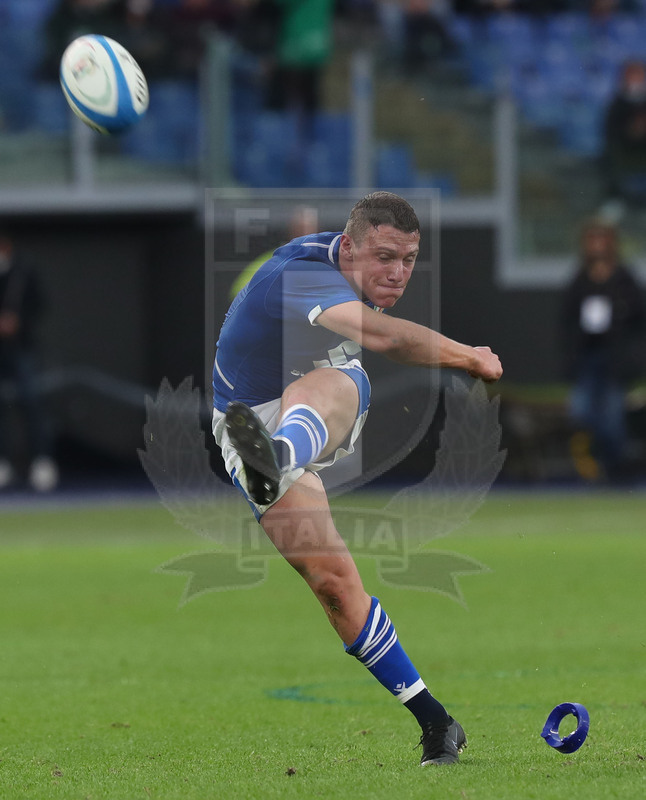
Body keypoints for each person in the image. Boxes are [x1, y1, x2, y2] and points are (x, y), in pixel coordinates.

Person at [211, 192, 502, 766]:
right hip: (245, 424)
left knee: (336, 379)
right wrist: (471, 356)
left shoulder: (341, 271)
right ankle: (437, 722)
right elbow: (388, 339)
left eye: (408, 259)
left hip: (296, 419)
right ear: (348, 247)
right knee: (334, 586)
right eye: (384, 257)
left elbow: (383, 338)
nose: (397, 273)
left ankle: (279, 456)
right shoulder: (303, 274)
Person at [560, 219, 645, 482]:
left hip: (615, 359)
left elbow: (638, 316)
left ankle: (616, 468)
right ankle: (602, 463)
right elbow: (567, 320)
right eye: (592, 239)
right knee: (582, 411)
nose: (597, 245)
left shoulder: (624, 277)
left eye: (602, 239)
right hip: (587, 357)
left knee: (611, 415)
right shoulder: (580, 278)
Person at [0, 230, 59, 492]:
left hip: (22, 348)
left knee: (32, 403)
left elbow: (39, 304)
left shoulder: (24, 269)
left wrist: (18, 322)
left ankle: (42, 461)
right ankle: (3, 463)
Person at [602, 59, 646, 208]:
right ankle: (616, 200)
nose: (636, 80)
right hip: (624, 151)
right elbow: (611, 131)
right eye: (632, 76)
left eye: (639, 75)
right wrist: (630, 131)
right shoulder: (617, 103)